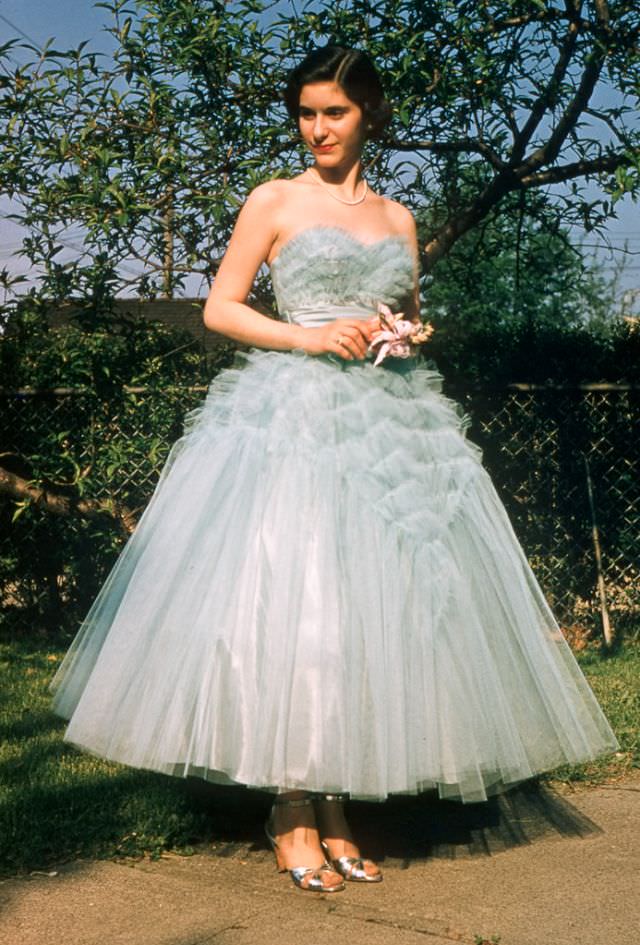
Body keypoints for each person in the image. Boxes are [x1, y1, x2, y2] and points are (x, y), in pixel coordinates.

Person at [51, 45, 620, 894]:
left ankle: (339, 802)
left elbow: (406, 313)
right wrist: (312, 333)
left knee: (370, 615)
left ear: (369, 117)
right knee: (300, 608)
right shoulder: (275, 199)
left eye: (335, 113)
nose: (317, 128)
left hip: (391, 427)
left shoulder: (398, 218)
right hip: (293, 418)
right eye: (308, 112)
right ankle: (290, 808)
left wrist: (404, 333)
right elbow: (221, 306)